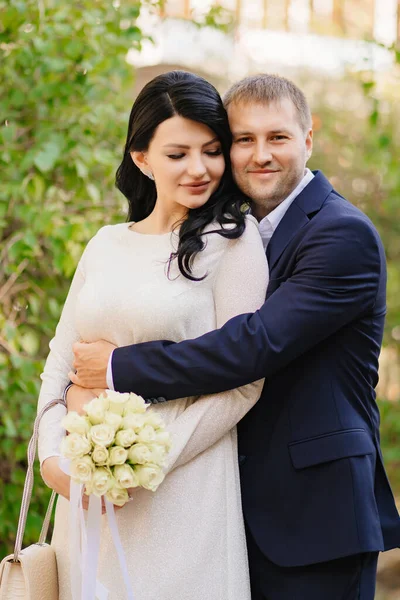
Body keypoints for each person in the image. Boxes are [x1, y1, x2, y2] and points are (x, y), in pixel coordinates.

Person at [69, 74, 400, 600]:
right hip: (233, 510)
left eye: (278, 138)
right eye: (244, 140)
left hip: (316, 515)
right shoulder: (234, 234)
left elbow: (254, 344)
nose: (260, 155)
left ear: (308, 139)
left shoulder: (340, 233)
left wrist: (117, 368)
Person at [37, 70, 269, 600]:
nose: (199, 168)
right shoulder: (105, 243)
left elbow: (243, 382)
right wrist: (55, 461)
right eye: (177, 154)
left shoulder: (232, 242)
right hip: (87, 493)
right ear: (142, 159)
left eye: (211, 151)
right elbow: (58, 364)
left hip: (182, 496)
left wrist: (142, 465)